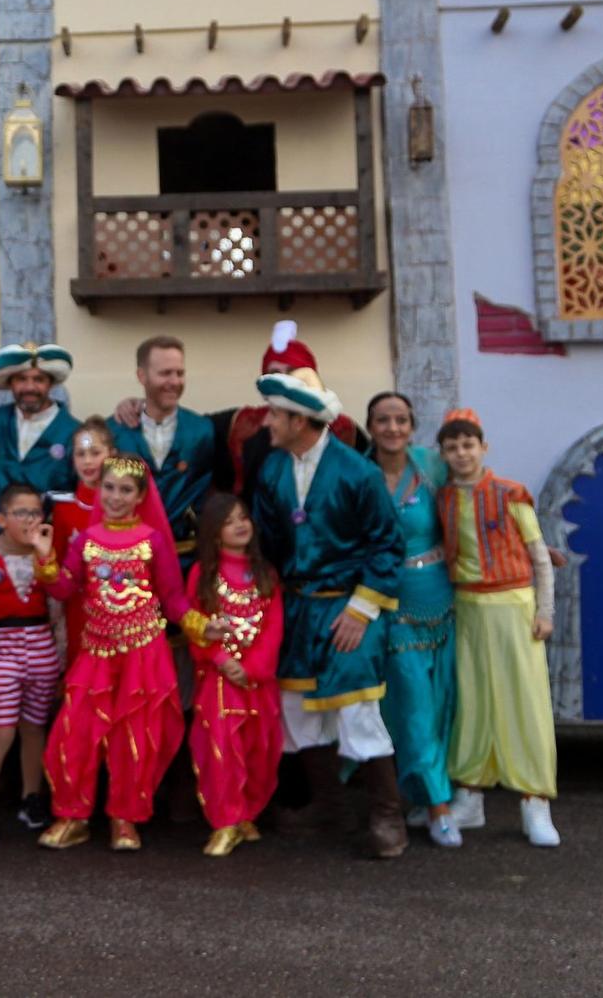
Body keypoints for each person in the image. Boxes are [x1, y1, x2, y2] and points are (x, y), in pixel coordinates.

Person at [250, 365, 408, 858]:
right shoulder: (271, 469)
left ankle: (387, 816)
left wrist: (361, 611)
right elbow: (266, 545)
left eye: (275, 414)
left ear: (300, 421)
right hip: (295, 611)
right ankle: (328, 806)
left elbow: (387, 546)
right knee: (295, 713)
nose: (266, 421)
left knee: (358, 711)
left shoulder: (357, 473)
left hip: (345, 609)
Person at [37, 453, 214, 852]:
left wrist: (204, 627)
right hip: (96, 652)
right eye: (110, 488)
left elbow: (172, 599)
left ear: (140, 496)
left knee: (135, 736)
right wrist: (44, 557)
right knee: (75, 732)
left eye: (126, 490)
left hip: (143, 654)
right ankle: (72, 815)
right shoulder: (86, 539)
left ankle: (126, 817)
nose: (116, 497)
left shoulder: (152, 540)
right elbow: (65, 589)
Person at [436, 408, 561, 849]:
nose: (461, 453)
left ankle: (535, 803)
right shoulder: (443, 499)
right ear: (444, 454)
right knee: (473, 701)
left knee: (523, 702)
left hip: (513, 607)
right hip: (468, 608)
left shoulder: (512, 494)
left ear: (483, 448)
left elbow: (539, 555)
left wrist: (545, 611)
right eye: (452, 447)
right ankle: (469, 797)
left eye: (468, 445)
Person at [366, 391, 461, 848]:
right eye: (383, 420)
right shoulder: (361, 474)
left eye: (400, 419)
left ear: (411, 425)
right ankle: (441, 808)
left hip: (442, 599)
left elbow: (472, 503)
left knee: (443, 707)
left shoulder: (431, 465)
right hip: (392, 604)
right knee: (415, 709)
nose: (392, 428)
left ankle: (424, 796)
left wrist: (530, 546)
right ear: (370, 428)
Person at [0, 483, 66, 844]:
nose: (30, 520)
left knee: (35, 726)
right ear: (1, 519)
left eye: (36, 513)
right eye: (21, 513)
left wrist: (62, 660)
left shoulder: (45, 560)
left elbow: (57, 612)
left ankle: (31, 798)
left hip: (41, 652)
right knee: (0, 730)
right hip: (0, 653)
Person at [184, 491, 284, 857]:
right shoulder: (202, 574)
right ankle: (225, 820)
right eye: (229, 521)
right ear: (213, 532)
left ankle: (246, 813)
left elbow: (273, 626)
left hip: (258, 681)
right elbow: (194, 623)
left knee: (260, 751)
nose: (240, 525)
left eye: (243, 517)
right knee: (221, 749)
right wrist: (221, 658)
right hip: (220, 681)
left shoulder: (266, 573)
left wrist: (253, 668)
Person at [209, 322, 366, 497]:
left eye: (292, 372)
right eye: (276, 373)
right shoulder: (239, 424)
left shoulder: (343, 429)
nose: (284, 380)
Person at [106, 335, 216, 562]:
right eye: (165, 373)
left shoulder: (203, 430)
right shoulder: (113, 432)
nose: (174, 381)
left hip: (184, 560)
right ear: (142, 376)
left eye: (180, 373)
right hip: (126, 561)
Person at [0, 343, 80, 533]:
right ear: (10, 383)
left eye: (39, 379)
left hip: (53, 543)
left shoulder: (75, 433)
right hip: (1, 542)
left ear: (51, 383)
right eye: (21, 379)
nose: (30, 387)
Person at [48, 418, 112, 661]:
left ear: (111, 454)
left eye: (95, 453)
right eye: (80, 453)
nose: (87, 461)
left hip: (121, 605)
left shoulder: (124, 505)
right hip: (79, 609)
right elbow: (58, 567)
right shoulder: (64, 508)